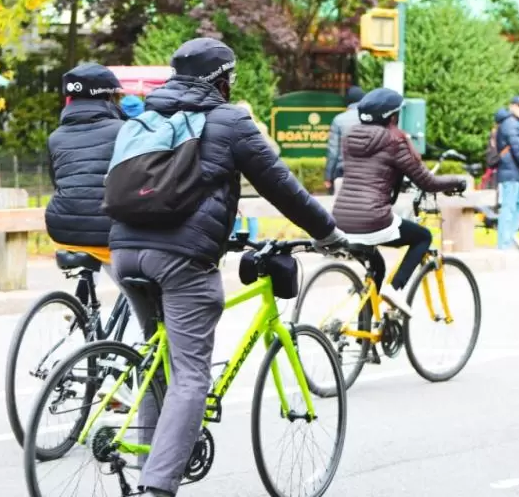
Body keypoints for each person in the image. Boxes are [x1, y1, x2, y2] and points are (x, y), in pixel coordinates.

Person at [108, 38, 345, 497]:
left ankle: (145, 464)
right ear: (221, 79)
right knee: (192, 374)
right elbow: (281, 186)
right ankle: (156, 488)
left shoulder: (145, 117)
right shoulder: (230, 120)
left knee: (157, 364)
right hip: (181, 260)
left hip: (125, 252)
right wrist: (328, 232)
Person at [332, 87, 465, 316]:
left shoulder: (349, 137)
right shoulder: (394, 141)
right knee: (423, 237)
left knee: (377, 268)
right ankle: (396, 289)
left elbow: (371, 171)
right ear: (393, 117)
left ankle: (366, 335)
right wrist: (457, 181)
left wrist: (395, 180)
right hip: (373, 219)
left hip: (341, 219)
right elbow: (427, 182)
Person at [45, 63, 126, 249]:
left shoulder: (55, 137)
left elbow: (56, 182)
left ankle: (86, 278)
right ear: (110, 96)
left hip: (61, 227)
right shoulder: (124, 130)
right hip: (112, 229)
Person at [232, 100, 280, 242]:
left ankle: (237, 240)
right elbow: (275, 150)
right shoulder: (260, 128)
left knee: (237, 212)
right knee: (252, 214)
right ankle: (252, 241)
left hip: (239, 180)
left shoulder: (232, 128)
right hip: (255, 178)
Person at [495, 96, 519, 250]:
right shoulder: (511, 124)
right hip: (510, 172)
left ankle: (507, 239)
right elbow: (517, 149)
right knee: (509, 207)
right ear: (512, 107)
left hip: (515, 172)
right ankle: (504, 245)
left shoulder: (515, 123)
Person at [324, 86, 364, 194]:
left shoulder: (338, 120)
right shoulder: (369, 118)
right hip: (366, 171)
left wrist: (328, 177)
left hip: (343, 171)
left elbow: (333, 152)